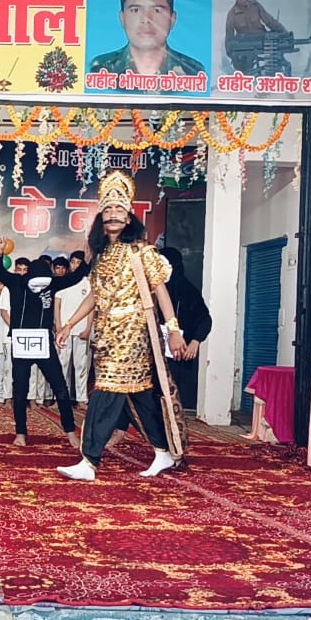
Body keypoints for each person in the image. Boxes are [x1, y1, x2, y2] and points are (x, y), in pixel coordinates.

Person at [56, 171, 188, 481]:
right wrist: (69, 324)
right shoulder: (101, 255)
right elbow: (95, 296)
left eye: (119, 210)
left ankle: (89, 461)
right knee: (139, 396)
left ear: (129, 218)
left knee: (105, 392)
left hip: (133, 335)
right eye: (108, 210)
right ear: (101, 218)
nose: (113, 215)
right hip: (106, 335)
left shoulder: (141, 251)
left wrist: (174, 330)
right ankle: (163, 452)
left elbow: (160, 291)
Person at [0, 239, 88, 447]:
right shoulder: (16, 282)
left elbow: (75, 277)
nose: (40, 288)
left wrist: (87, 260)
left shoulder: (52, 284)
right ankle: (20, 433)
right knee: (20, 391)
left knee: (60, 388)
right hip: (21, 345)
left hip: (44, 345)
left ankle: (70, 431)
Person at [88, 0, 206, 92]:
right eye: (135, 10)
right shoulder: (101, 69)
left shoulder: (193, 72)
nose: (146, 20)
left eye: (157, 10)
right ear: (122, 18)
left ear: (172, 19)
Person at [160, 247, 211, 409]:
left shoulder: (188, 291)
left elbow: (204, 319)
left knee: (175, 395)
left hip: (179, 354)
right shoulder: (153, 290)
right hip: (154, 352)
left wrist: (195, 341)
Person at [223, 0, 287, 74]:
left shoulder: (255, 5)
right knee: (246, 71)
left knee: (277, 55)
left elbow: (269, 21)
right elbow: (229, 37)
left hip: (263, 41)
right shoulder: (232, 14)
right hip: (247, 45)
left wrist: (284, 33)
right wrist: (232, 55)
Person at [54, 256, 92, 407]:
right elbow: (57, 306)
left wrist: (88, 328)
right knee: (62, 365)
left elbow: (91, 308)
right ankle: (61, 399)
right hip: (64, 330)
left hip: (81, 330)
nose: (75, 265)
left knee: (81, 365)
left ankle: (81, 399)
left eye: (78, 262)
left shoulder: (88, 282)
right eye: (73, 262)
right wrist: (58, 327)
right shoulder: (63, 282)